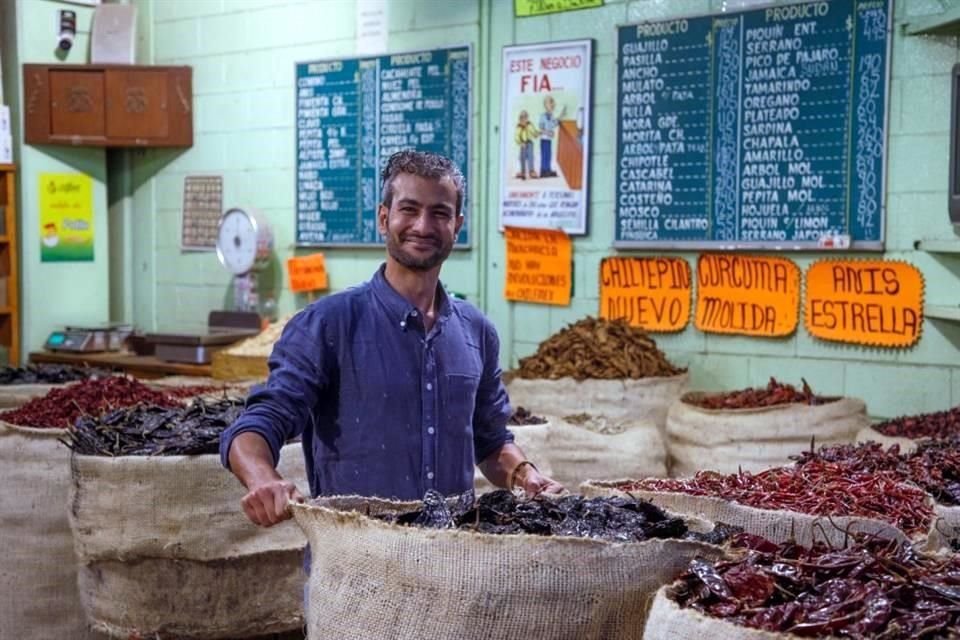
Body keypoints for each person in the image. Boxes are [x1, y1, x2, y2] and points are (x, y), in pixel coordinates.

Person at [220, 150, 563, 528]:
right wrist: (263, 479)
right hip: (356, 567)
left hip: (453, 560)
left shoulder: (476, 331)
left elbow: (490, 438)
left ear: (457, 225)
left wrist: (524, 474)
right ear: (384, 219)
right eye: (409, 209)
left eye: (440, 213)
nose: (423, 225)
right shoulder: (327, 325)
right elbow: (260, 422)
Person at [538, 96, 566, 178]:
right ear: (546, 105)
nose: (553, 106)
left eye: (553, 104)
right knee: (544, 155)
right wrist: (548, 133)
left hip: (549, 140)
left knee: (549, 154)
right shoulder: (542, 116)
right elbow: (541, 128)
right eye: (551, 104)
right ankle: (543, 171)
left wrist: (561, 115)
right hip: (544, 139)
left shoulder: (552, 116)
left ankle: (548, 170)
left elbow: (554, 123)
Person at [514, 110, 538, 180]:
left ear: (527, 118)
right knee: (522, 158)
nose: (524, 120)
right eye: (522, 118)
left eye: (525, 118)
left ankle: (531, 171)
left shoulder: (529, 125)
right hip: (523, 144)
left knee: (531, 157)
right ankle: (523, 171)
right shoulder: (518, 127)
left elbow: (533, 131)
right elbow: (516, 136)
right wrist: (520, 143)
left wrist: (535, 134)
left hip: (529, 143)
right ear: (520, 119)